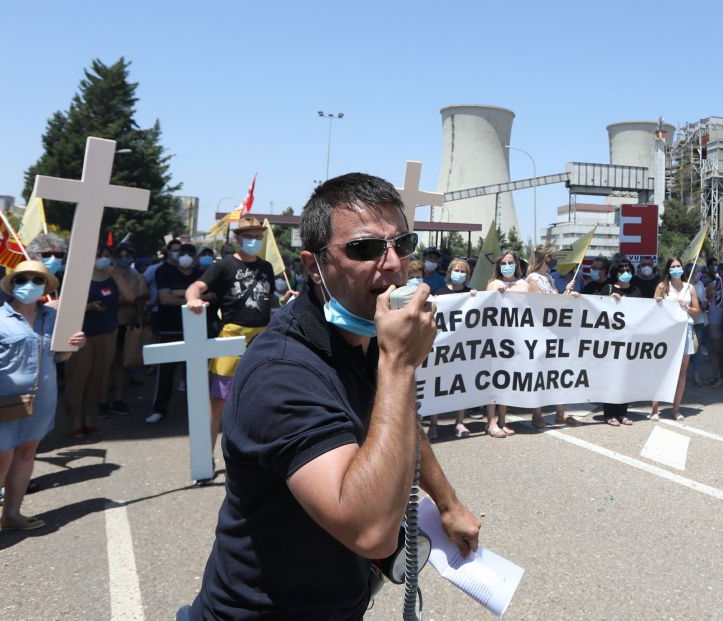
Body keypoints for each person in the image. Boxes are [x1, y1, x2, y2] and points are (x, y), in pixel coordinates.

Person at [181, 172, 479, 620]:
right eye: (365, 249)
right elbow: (370, 532)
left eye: (403, 243)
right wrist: (400, 366)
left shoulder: (369, 338)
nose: (393, 263)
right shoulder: (280, 373)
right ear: (312, 266)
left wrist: (448, 503)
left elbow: (399, 424)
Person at [0, 261, 86, 547]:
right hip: (1, 403)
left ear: (46, 287)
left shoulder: (52, 318)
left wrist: (73, 345)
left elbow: (59, 358)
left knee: (27, 454)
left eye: (37, 279)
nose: (29, 284)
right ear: (12, 283)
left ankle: (12, 514)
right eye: (23, 279)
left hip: (42, 400)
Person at [186, 218, 293, 483]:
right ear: (238, 238)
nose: (254, 240)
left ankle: (260, 457)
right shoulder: (223, 266)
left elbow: (268, 301)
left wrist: (284, 300)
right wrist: (193, 300)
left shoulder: (266, 268)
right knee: (218, 403)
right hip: (231, 338)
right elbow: (197, 286)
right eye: (249, 235)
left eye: (258, 235)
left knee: (263, 400)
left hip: (261, 339)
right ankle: (206, 457)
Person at [64, 245, 134, 437]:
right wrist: (89, 307)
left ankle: (89, 418)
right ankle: (75, 421)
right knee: (78, 377)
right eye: (97, 256)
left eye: (105, 255)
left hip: (107, 333)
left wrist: (117, 275)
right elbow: (66, 307)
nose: (102, 259)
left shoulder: (113, 278)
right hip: (82, 336)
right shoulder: (79, 279)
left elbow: (130, 297)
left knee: (99, 378)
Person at [526, 243, 581, 429]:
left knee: (557, 371)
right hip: (541, 330)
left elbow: (555, 302)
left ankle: (560, 412)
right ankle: (537, 413)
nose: (556, 258)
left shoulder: (548, 277)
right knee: (540, 372)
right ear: (546, 258)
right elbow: (540, 304)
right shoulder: (532, 279)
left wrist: (565, 294)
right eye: (554, 255)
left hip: (555, 330)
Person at [148, 243, 203, 424]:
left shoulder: (200, 274)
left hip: (195, 330)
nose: (185, 256)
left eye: (190, 253)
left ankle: (195, 411)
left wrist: (178, 293)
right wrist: (191, 297)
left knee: (195, 375)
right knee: (165, 372)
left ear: (195, 257)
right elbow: (165, 299)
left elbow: (210, 297)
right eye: (181, 252)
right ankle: (159, 409)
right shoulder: (164, 271)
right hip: (168, 328)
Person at [428, 258, 475, 440]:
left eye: (463, 271)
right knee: (437, 384)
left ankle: (460, 422)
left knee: (460, 385)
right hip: (442, 347)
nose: (459, 274)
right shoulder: (439, 293)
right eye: (456, 270)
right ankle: (433, 424)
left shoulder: (471, 294)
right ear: (449, 272)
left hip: (463, 349)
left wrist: (477, 298)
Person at [650, 257, 702, 421]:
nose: (676, 268)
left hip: (685, 330)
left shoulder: (690, 288)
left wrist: (686, 307)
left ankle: (676, 409)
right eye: (673, 266)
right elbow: (653, 309)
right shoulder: (662, 287)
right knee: (661, 369)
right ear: (668, 269)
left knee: (682, 372)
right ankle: (654, 409)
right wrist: (657, 302)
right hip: (666, 332)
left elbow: (697, 311)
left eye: (679, 266)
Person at [484, 251, 528, 437]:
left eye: (510, 262)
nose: (507, 266)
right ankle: (490, 421)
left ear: (517, 264)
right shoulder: (493, 283)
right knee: (494, 379)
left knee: (507, 379)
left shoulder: (525, 285)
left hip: (516, 337)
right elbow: (484, 306)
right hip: (496, 336)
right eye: (503, 263)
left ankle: (503, 419)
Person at [108, 243, 149, 415]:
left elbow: (144, 295)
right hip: (110, 325)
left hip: (129, 325)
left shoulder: (137, 275)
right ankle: (102, 400)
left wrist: (128, 299)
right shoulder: (108, 275)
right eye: (121, 255)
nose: (124, 258)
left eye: (128, 255)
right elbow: (110, 299)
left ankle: (118, 399)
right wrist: (129, 299)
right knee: (108, 363)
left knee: (123, 364)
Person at [601, 259, 642, 426]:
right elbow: (597, 307)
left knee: (626, 378)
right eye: (621, 270)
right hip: (612, 341)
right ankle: (609, 413)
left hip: (630, 341)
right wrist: (609, 299)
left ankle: (622, 413)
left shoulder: (636, 290)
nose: (625, 272)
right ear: (615, 273)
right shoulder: (608, 288)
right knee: (611, 377)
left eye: (628, 269)